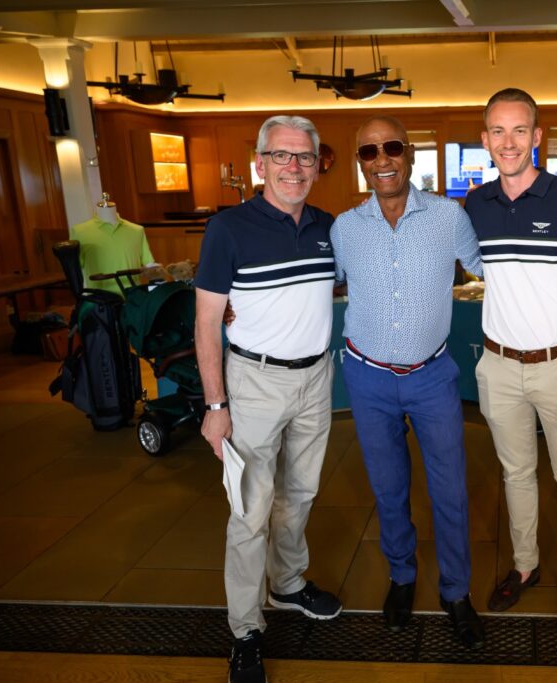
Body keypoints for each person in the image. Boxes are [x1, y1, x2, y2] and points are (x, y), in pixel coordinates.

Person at [194, 115, 342, 683]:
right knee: (249, 510)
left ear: (316, 166)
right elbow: (206, 324)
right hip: (253, 382)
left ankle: (288, 584)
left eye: (304, 157)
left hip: (316, 379)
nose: (293, 167)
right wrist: (215, 406)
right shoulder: (228, 228)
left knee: (300, 494)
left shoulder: (328, 227)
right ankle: (245, 630)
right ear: (260, 164)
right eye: (281, 156)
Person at [331, 115, 486, 649]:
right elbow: (318, 285)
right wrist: (240, 305)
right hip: (368, 377)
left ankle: (456, 591)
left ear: (410, 153)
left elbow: (493, 269)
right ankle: (401, 576)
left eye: (392, 147)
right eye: (369, 151)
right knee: (388, 488)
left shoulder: (449, 216)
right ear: (361, 163)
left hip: (432, 376)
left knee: (450, 490)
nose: (382, 160)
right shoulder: (345, 228)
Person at [464, 88, 557, 638]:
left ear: (537, 136)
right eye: (498, 131)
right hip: (499, 367)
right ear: (485, 140)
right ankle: (525, 566)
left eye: (519, 130)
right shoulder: (476, 205)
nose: (509, 142)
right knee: (516, 474)